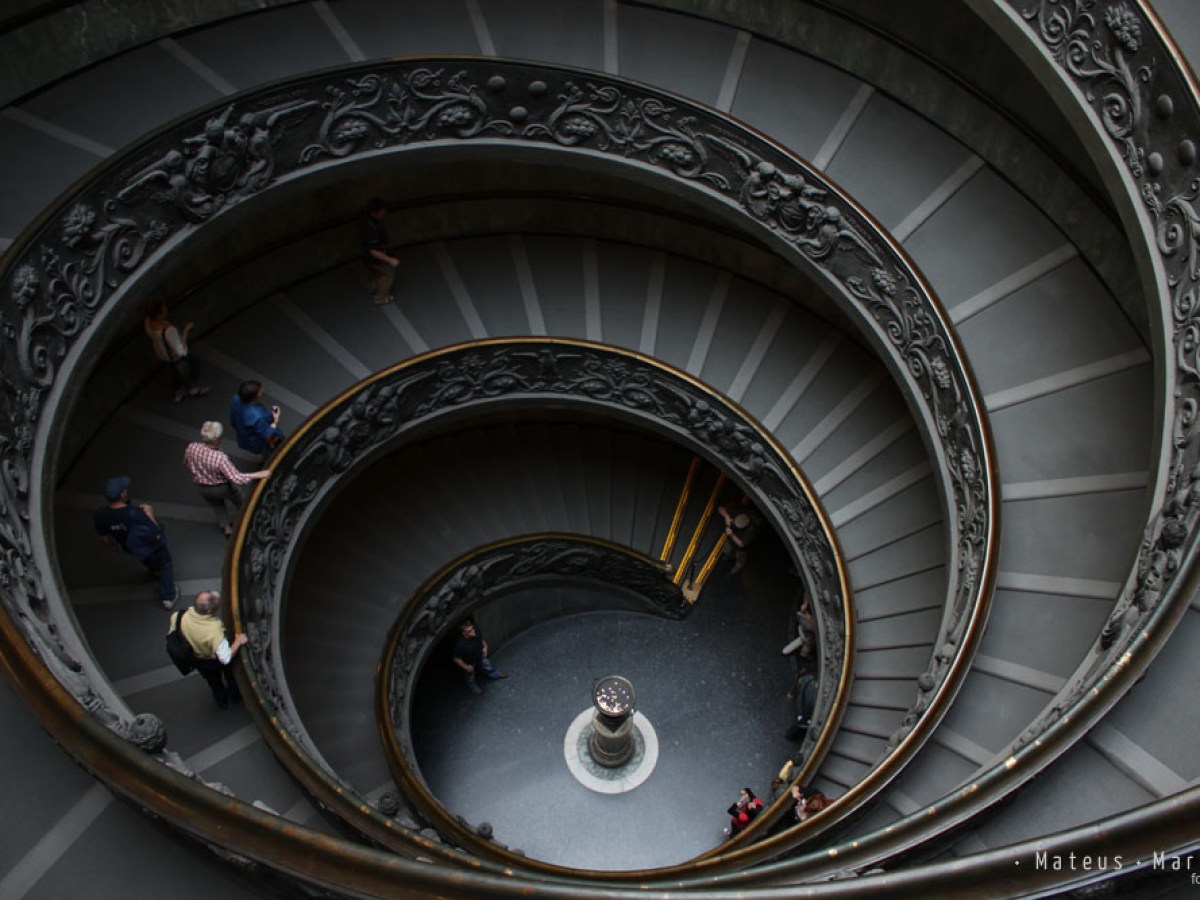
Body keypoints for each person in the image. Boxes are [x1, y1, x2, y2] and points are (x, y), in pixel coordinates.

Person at [93, 476, 179, 609]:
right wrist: (150, 514)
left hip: (131, 548)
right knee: (165, 564)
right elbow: (155, 533)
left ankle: (153, 570)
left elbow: (103, 536)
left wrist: (111, 547)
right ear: (122, 494)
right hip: (152, 548)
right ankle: (169, 596)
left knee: (147, 560)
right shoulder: (135, 513)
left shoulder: (101, 515)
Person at [183, 421, 271, 536]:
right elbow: (236, 477)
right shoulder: (220, 458)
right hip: (221, 487)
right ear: (216, 439)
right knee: (241, 501)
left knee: (218, 505)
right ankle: (246, 521)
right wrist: (259, 474)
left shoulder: (191, 448)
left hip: (202, 488)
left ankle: (227, 528)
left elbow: (186, 462)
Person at [172, 589, 247, 709]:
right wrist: (238, 642)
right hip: (213, 660)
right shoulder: (213, 630)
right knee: (230, 675)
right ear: (209, 611)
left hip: (199, 661)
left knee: (214, 683)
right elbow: (225, 658)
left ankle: (221, 701)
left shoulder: (179, 616)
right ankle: (235, 695)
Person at [144, 300, 210, 403]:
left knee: (173, 371)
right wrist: (186, 330)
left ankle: (179, 391)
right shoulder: (169, 331)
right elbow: (181, 351)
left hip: (163, 354)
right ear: (158, 315)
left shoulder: (148, 322)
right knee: (196, 361)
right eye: (164, 310)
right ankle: (194, 387)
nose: (166, 310)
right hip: (175, 355)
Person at [229, 380, 284, 462]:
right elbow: (267, 434)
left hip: (245, 436)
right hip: (258, 441)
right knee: (270, 451)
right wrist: (276, 419)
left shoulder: (236, 399)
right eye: (260, 390)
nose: (262, 390)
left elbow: (233, 419)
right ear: (255, 396)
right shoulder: (258, 417)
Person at [450, 619, 508, 695]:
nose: (473, 631)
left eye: (472, 628)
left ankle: (494, 674)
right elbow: (456, 658)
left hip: (480, 655)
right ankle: (473, 686)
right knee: (470, 676)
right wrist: (466, 667)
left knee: (487, 665)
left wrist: (485, 646)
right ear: (464, 634)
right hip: (469, 661)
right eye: (469, 631)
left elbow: (480, 638)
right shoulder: (460, 645)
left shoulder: (475, 631)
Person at [362, 197, 398, 305]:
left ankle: (373, 288)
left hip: (371, 256)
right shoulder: (371, 229)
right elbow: (373, 251)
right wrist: (390, 260)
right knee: (388, 274)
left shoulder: (369, 222)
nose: (384, 214)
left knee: (378, 273)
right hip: (375, 258)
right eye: (381, 213)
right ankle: (380, 298)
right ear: (373, 213)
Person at [718, 503, 758, 573]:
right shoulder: (737, 510)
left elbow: (741, 544)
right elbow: (720, 508)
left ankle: (735, 571)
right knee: (727, 550)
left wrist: (732, 534)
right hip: (730, 540)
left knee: (740, 560)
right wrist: (727, 516)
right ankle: (726, 557)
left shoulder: (751, 530)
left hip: (741, 549)